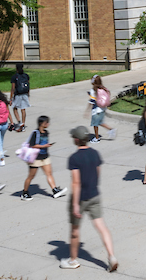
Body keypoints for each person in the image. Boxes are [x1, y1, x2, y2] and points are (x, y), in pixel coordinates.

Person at [60, 126, 117, 271]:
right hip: (94, 195)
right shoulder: (95, 154)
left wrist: (75, 205)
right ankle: (111, 256)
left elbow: (76, 182)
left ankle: (73, 261)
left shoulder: (74, 158)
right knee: (101, 227)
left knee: (75, 231)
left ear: (76, 140)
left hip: (81, 198)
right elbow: (97, 173)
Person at [21, 115, 66, 200]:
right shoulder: (35, 133)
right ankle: (25, 192)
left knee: (49, 174)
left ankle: (55, 190)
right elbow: (32, 145)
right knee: (31, 176)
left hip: (45, 157)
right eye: (47, 122)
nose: (48, 124)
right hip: (35, 158)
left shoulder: (46, 132)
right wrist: (44, 146)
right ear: (42, 123)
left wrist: (47, 146)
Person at [87, 76, 116, 142]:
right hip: (102, 108)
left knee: (95, 124)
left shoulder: (93, 90)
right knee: (100, 122)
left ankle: (97, 138)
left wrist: (87, 110)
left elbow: (91, 101)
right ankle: (110, 130)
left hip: (96, 110)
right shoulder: (103, 88)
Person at [10, 64, 31, 132]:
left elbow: (13, 88)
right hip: (25, 93)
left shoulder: (14, 77)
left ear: (16, 69)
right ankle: (23, 124)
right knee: (23, 109)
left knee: (14, 108)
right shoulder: (26, 76)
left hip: (18, 94)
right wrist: (28, 95)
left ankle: (19, 122)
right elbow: (28, 85)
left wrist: (11, 98)